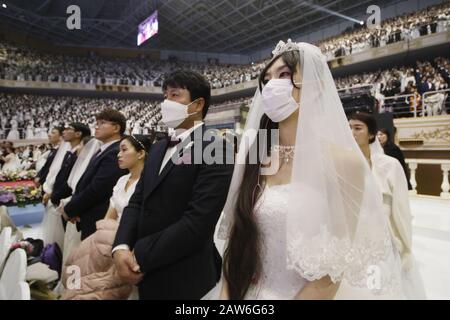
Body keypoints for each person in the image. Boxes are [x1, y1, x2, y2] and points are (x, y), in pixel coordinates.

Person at [216, 40, 403, 300]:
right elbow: (236, 245)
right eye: (267, 78)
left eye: (284, 75)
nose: (272, 86)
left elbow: (332, 271)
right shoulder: (255, 156)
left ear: (317, 88)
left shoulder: (343, 163)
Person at [112, 70, 234, 299]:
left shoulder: (216, 147)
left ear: (197, 104)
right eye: (165, 95)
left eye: (175, 95)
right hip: (146, 275)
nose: (166, 102)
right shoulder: (158, 147)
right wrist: (120, 247)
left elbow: (197, 222)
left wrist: (140, 255)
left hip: (185, 277)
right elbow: (137, 201)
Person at [61, 135, 152, 300]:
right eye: (118, 151)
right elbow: (109, 218)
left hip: (133, 247)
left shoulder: (149, 184)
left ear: (140, 154)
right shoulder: (121, 181)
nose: (119, 155)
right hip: (111, 243)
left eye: (124, 150)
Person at [348, 112, 426, 299]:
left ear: (372, 134)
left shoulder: (389, 166)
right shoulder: (343, 164)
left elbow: (401, 210)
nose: (351, 133)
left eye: (357, 128)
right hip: (351, 240)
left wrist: (405, 246)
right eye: (349, 128)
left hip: (382, 240)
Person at [62, 109, 128, 240]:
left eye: (102, 123)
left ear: (116, 127)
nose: (96, 126)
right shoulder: (105, 150)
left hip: (98, 216)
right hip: (88, 213)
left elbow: (97, 189)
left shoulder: (115, 152)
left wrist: (71, 208)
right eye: (96, 122)